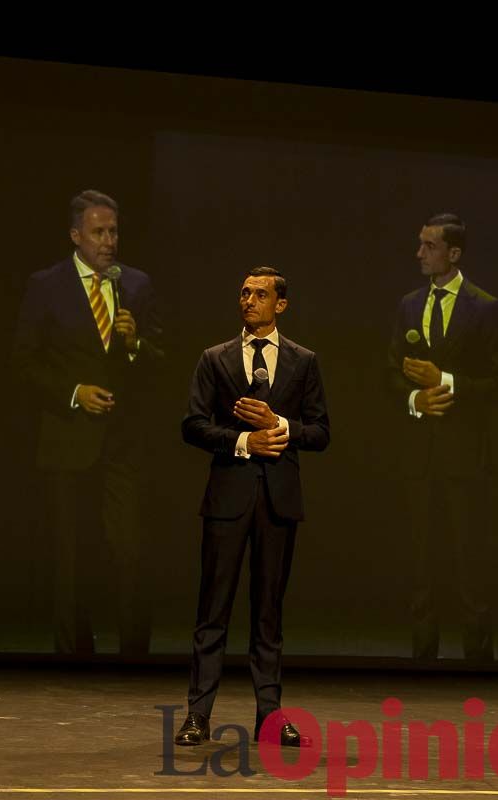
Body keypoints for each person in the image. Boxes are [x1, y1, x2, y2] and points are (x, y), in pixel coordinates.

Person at [173, 266, 330, 748]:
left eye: (260, 294)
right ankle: (198, 713)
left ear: (280, 304)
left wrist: (278, 424)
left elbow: (321, 432)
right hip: (228, 499)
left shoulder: (303, 361)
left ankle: (269, 712)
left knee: (268, 613)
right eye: (243, 292)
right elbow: (193, 425)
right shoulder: (215, 359)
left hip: (278, 502)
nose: (249, 300)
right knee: (213, 609)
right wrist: (245, 440)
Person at [14, 189, 162, 656]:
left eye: (114, 231)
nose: (109, 241)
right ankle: (72, 657)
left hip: (122, 441)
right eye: (98, 232)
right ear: (76, 235)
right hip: (68, 437)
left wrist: (136, 343)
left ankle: (135, 654)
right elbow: (25, 361)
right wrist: (74, 393)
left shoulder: (136, 285)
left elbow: (163, 357)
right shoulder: (46, 284)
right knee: (71, 555)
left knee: (129, 549)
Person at [386, 213, 498, 661]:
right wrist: (416, 399)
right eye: (420, 244)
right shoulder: (408, 305)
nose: (420, 253)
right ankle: (423, 661)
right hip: (421, 456)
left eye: (429, 246)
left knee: (469, 561)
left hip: (466, 457)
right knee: (421, 561)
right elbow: (390, 372)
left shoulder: (485, 307)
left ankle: (479, 662)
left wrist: (448, 381)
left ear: (453, 253)